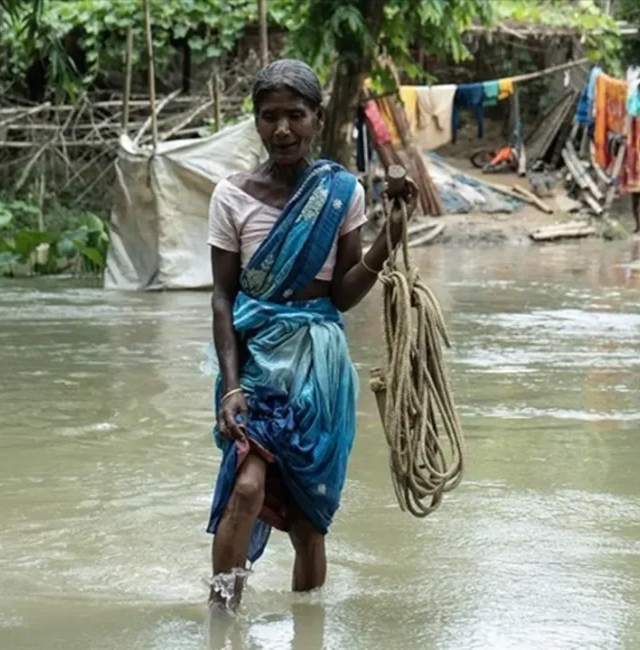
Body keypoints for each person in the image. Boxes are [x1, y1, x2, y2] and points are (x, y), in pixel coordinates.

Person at [204, 59, 412, 611]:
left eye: (295, 115)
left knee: (306, 521)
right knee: (245, 488)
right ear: (255, 121)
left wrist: (387, 240)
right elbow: (223, 297)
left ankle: (308, 627)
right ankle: (222, 619)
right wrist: (230, 387)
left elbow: (342, 295)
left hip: (318, 368)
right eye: (269, 116)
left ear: (317, 118)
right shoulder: (231, 196)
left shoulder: (342, 193)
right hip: (253, 363)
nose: (282, 130)